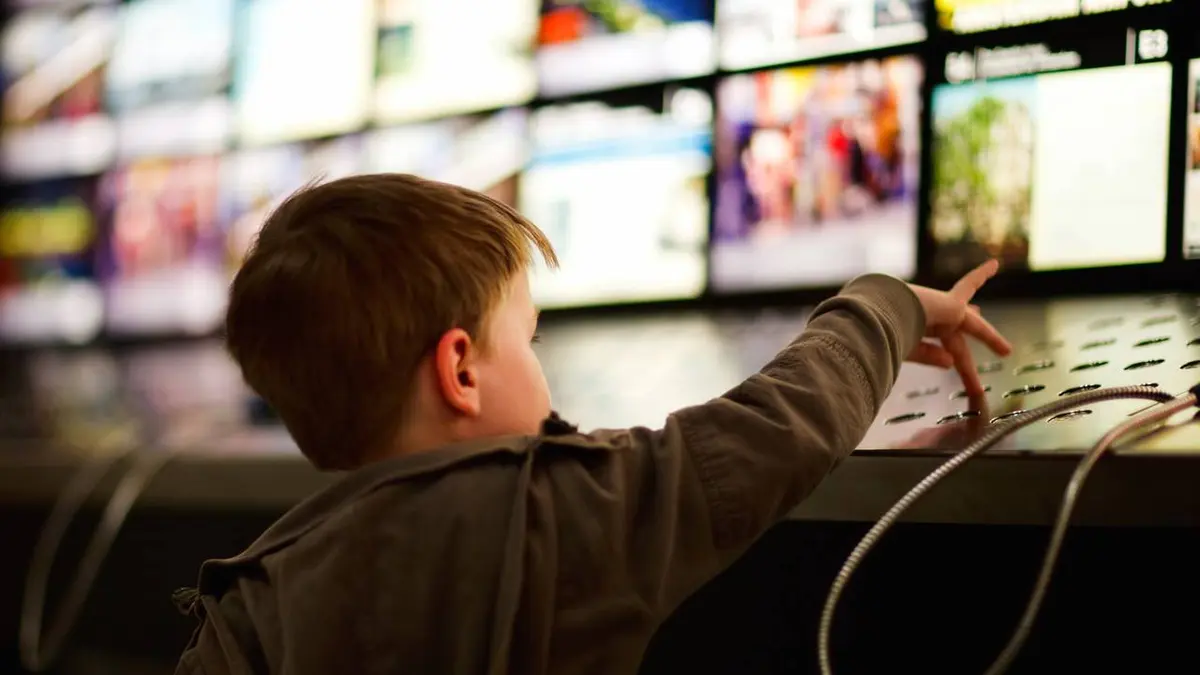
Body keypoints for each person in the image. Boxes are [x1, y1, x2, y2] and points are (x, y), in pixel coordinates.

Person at [171, 173, 1011, 675]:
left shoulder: (250, 599)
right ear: (460, 370)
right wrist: (885, 304)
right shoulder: (552, 511)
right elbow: (783, 427)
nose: (541, 369)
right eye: (527, 340)